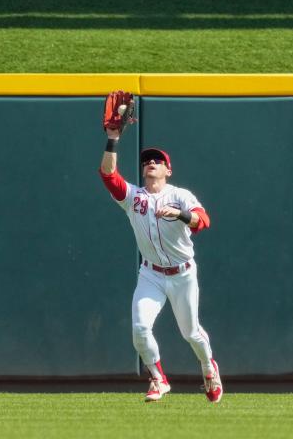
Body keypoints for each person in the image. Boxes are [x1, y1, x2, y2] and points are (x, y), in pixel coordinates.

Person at [99, 125, 222, 403]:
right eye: (147, 161)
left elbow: (203, 221)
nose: (151, 163)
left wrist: (180, 214)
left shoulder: (180, 195)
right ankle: (158, 378)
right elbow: (108, 175)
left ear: (168, 170)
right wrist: (113, 139)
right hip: (150, 275)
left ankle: (208, 367)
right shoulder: (134, 198)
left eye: (158, 161)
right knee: (140, 329)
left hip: (183, 274)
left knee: (190, 332)